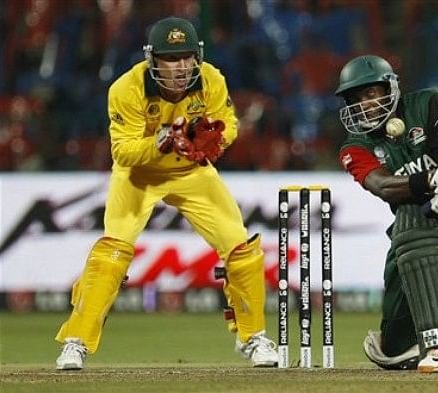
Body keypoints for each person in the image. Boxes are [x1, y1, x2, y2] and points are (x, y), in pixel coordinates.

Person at [54, 16, 278, 370]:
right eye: (171, 59)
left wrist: (216, 138)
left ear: (197, 56)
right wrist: (160, 142)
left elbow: (229, 124)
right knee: (112, 253)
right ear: (152, 59)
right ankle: (75, 341)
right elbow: (123, 152)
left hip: (191, 172)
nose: (181, 67)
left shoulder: (211, 79)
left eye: (187, 57)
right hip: (138, 176)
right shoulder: (125, 89)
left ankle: (253, 337)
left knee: (242, 249)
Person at [335, 54, 438, 373]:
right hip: (411, 235)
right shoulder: (354, 147)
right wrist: (431, 178)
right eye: (356, 98)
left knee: (412, 218)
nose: (364, 104)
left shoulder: (428, 103)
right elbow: (382, 186)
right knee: (392, 348)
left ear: (390, 88)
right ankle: (428, 334)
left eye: (370, 94)